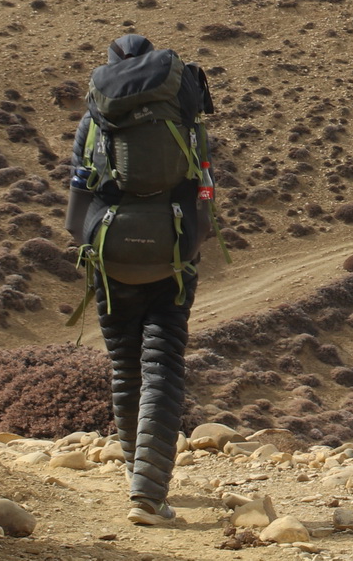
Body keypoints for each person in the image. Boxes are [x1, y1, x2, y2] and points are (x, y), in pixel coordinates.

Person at [65, 33, 218, 526]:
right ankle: (148, 495)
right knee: (162, 366)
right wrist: (186, 253)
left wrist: (96, 250)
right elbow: (205, 198)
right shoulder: (186, 121)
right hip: (172, 259)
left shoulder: (94, 121)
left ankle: (136, 474)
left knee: (125, 365)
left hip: (110, 259)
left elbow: (75, 210)